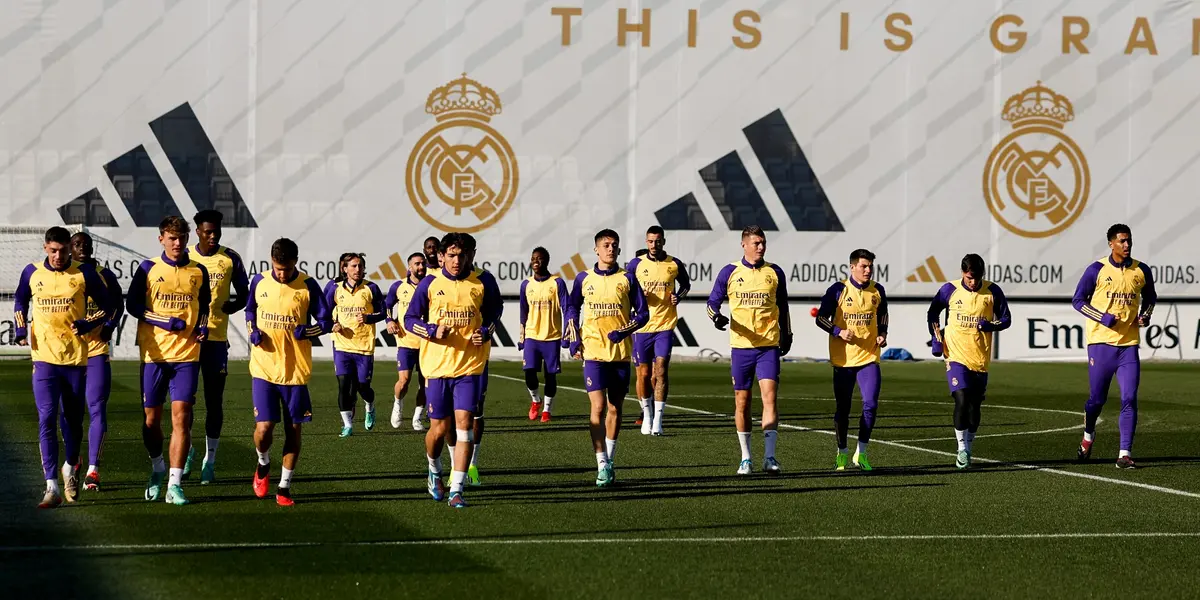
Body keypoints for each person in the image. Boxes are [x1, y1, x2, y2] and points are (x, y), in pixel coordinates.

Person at [14, 227, 112, 508]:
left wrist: (89, 324)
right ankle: (51, 486)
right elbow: (21, 298)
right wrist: (21, 328)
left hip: (75, 359)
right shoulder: (32, 272)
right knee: (46, 417)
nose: (58, 256)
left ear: (70, 248)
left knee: (72, 421)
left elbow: (109, 305)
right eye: (53, 250)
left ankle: (70, 467)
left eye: (63, 250)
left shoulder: (84, 273)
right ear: (46, 248)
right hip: (44, 358)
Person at [404, 233, 502, 509]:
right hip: (436, 367)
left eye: (462, 255)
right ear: (441, 256)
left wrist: (485, 331)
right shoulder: (430, 283)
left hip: (470, 367)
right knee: (439, 429)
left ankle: (456, 489)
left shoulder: (484, 280)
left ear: (471, 254)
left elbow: (495, 312)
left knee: (464, 427)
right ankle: (434, 470)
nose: (457, 261)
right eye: (452, 255)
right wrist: (433, 331)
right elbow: (410, 319)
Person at [126, 216, 211, 505]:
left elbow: (205, 307)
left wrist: (202, 327)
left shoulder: (199, 270)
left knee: (182, 417)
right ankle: (158, 468)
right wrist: (162, 321)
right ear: (161, 238)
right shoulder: (148, 268)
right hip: (155, 355)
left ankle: (174, 484)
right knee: (151, 421)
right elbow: (133, 306)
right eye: (171, 238)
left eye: (181, 238)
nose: (177, 243)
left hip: (187, 355)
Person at [246, 238, 329, 506]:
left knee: (294, 430)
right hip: (263, 368)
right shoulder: (259, 281)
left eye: (287, 268)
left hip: (295, 373)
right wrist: (253, 332)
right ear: (272, 261)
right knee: (264, 429)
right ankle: (263, 463)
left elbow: (326, 322)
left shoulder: (307, 286)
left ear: (296, 261)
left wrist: (309, 331)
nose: (281, 274)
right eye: (278, 268)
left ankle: (284, 486)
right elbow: (250, 311)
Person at [566, 229, 648, 487]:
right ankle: (601, 462)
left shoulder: (628, 279)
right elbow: (571, 307)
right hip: (593, 353)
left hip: (621, 355)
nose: (610, 249)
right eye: (605, 245)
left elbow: (643, 314)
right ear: (596, 250)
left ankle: (609, 461)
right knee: (598, 407)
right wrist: (573, 338)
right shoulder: (583, 279)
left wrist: (622, 331)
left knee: (615, 408)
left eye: (614, 245)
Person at [706, 225, 791, 476]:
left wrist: (787, 335)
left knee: (770, 398)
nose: (761, 247)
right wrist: (717, 318)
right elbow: (712, 302)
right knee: (742, 402)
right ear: (744, 244)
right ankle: (746, 458)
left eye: (763, 242)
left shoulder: (775, 272)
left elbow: (783, 307)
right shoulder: (730, 272)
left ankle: (770, 457)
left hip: (768, 347)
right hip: (741, 348)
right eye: (756, 243)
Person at [1071, 224, 1156, 468]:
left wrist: (1145, 315)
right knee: (1097, 400)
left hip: (1128, 345)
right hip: (1101, 344)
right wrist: (1102, 317)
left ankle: (1124, 453)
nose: (1127, 245)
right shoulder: (1096, 269)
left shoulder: (1141, 270)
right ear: (1111, 244)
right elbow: (1078, 301)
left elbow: (1151, 297)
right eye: (1122, 241)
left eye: (1129, 241)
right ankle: (1088, 435)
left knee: (1129, 397)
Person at [927, 253, 1011, 469]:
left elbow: (1006, 319)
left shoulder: (992, 291)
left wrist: (991, 325)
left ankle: (969, 445)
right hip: (955, 355)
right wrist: (937, 340)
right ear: (962, 274)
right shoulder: (949, 289)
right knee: (961, 399)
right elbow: (933, 313)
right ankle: (961, 448)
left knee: (974, 408)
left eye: (975, 278)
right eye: (968, 278)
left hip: (980, 358)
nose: (972, 282)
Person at [187, 210, 250, 484]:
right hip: (187, 342)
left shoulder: (230, 257)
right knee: (183, 403)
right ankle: (187, 449)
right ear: (197, 231)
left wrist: (233, 306)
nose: (213, 236)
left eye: (217, 231)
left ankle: (209, 462)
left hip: (215, 341)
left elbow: (245, 293)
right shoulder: (185, 256)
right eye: (208, 232)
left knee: (214, 403)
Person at [815, 249, 888, 471]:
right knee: (843, 409)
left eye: (870, 266)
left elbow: (883, 314)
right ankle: (842, 451)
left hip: (869, 357)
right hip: (843, 361)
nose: (868, 270)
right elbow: (820, 318)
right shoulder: (838, 290)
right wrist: (838, 331)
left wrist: (883, 333)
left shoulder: (878, 291)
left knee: (871, 404)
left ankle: (862, 453)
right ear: (852, 267)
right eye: (864, 266)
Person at [64, 232, 122, 492]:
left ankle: (93, 470)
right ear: (70, 249)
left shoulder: (105, 275)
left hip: (97, 351)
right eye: (77, 244)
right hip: (68, 357)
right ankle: (72, 460)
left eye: (86, 244)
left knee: (97, 407)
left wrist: (110, 324)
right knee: (68, 414)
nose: (83, 248)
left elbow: (116, 305)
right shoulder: (64, 276)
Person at [626, 225, 690, 436]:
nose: (655, 245)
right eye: (651, 241)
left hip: (665, 325)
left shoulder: (674, 263)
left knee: (660, 370)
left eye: (658, 241)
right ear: (646, 242)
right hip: (642, 327)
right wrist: (637, 295)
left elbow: (686, 285)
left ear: (664, 241)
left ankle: (658, 421)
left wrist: (678, 297)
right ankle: (647, 414)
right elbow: (625, 290)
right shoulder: (636, 264)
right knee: (644, 375)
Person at [324, 253, 386, 437]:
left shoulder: (371, 288)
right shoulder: (335, 288)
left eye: (360, 266)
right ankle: (347, 425)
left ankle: (370, 405)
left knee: (362, 387)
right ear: (344, 269)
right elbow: (324, 313)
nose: (357, 269)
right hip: (342, 346)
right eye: (353, 266)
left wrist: (368, 318)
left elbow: (383, 313)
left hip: (364, 346)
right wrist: (332, 325)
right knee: (343, 385)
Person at [519, 247, 568, 423]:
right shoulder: (526, 284)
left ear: (547, 261)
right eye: (533, 258)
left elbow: (566, 308)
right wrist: (521, 335)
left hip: (552, 337)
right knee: (529, 374)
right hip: (532, 336)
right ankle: (535, 400)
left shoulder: (557, 283)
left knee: (550, 376)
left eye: (539, 258)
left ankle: (547, 410)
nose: (535, 261)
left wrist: (566, 334)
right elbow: (523, 312)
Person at [386, 252, 429, 431]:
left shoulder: (431, 284)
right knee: (404, 381)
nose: (421, 267)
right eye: (417, 264)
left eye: (423, 264)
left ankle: (417, 417)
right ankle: (398, 404)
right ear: (409, 267)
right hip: (405, 342)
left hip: (428, 343)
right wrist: (390, 321)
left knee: (425, 383)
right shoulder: (398, 286)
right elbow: (387, 305)